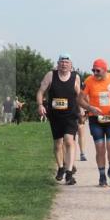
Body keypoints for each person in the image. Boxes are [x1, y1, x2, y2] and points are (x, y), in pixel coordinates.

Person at [79, 58, 110, 187]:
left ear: (105, 69)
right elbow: (79, 99)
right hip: (96, 119)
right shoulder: (88, 81)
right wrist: (90, 108)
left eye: (97, 70)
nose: (95, 72)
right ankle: (102, 175)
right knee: (100, 149)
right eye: (93, 70)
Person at [36, 53, 81, 185]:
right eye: (61, 62)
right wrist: (40, 105)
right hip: (55, 116)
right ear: (58, 64)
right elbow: (40, 91)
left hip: (70, 115)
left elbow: (79, 95)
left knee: (69, 140)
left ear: (70, 65)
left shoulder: (75, 77)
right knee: (57, 144)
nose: (64, 64)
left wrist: (82, 109)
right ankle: (61, 168)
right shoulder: (51, 75)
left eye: (66, 62)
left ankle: (69, 173)